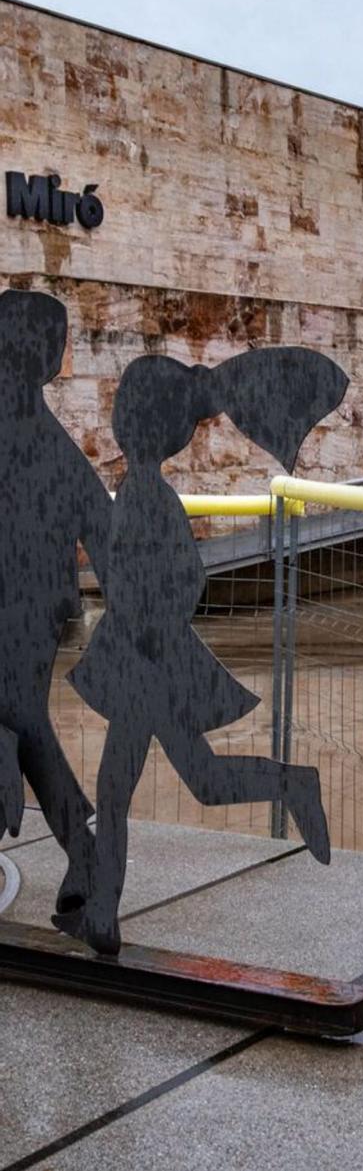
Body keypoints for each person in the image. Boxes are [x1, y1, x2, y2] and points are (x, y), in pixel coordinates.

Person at [55, 348, 348, 955]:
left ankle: (104, 914)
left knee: (117, 791)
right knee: (199, 781)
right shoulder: (140, 490)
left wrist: (148, 623)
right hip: (145, 660)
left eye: (125, 415)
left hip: (148, 663)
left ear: (140, 426)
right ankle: (293, 784)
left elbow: (187, 578)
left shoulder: (146, 495)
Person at [0, 289, 111, 910]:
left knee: (23, 724)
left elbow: (95, 517)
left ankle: (86, 855)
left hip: (21, 609)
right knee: (24, 724)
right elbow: (98, 517)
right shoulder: (38, 428)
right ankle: (85, 855)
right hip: (33, 608)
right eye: (56, 343)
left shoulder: (28, 426)